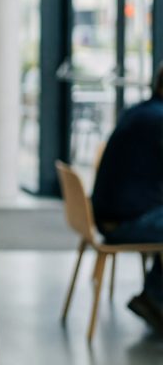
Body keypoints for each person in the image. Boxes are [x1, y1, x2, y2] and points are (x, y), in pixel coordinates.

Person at [91, 64, 163, 333]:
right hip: (122, 222)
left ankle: (154, 297)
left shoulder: (139, 111)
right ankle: (154, 297)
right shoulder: (158, 120)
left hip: (109, 214)